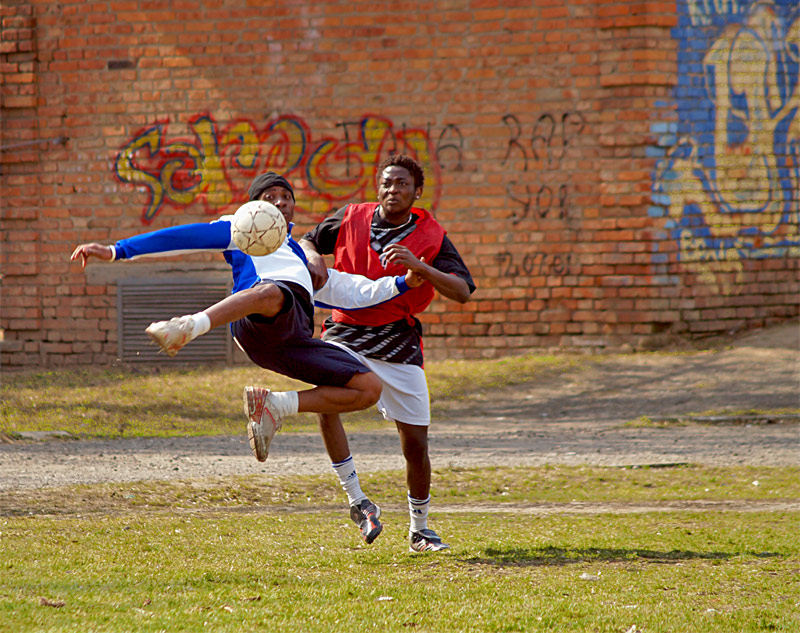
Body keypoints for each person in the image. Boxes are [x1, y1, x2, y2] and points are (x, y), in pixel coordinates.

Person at [71, 172, 425, 545]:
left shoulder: (300, 256)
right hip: (258, 324)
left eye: (285, 196)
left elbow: (352, 290)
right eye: (269, 196)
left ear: (293, 207)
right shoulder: (240, 228)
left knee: (368, 387)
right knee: (272, 292)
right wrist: (117, 250)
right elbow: (183, 237)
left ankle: (275, 406)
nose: (278, 202)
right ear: (253, 205)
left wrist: (402, 283)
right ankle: (187, 326)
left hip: (293, 342)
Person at [299, 154, 476, 553]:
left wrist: (421, 267)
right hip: (345, 328)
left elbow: (462, 291)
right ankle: (358, 502)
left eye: (401, 185)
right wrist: (313, 259)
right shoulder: (351, 216)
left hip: (397, 336)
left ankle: (420, 529)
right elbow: (310, 239)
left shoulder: (430, 234)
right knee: (327, 400)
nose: (392, 190)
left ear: (417, 193)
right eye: (386, 183)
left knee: (415, 442)